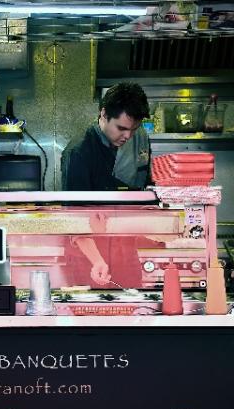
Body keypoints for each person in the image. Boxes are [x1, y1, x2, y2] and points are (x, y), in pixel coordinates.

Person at [61, 83, 152, 287]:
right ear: (104, 114)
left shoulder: (140, 140)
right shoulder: (79, 152)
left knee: (135, 311)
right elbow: (75, 216)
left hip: (125, 250)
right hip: (88, 256)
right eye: (121, 128)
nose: (128, 136)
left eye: (134, 129)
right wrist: (97, 261)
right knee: (91, 314)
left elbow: (145, 190)